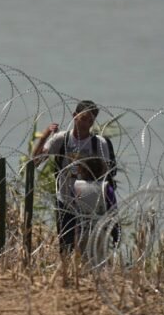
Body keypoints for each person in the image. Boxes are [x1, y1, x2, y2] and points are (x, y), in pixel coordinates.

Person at [32, 100, 114, 254]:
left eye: (90, 121)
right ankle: (67, 276)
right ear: (74, 116)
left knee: (90, 249)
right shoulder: (61, 139)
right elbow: (35, 162)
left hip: (90, 202)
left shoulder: (99, 143)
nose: (86, 124)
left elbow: (106, 173)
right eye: (83, 118)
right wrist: (45, 136)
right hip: (65, 200)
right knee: (66, 247)